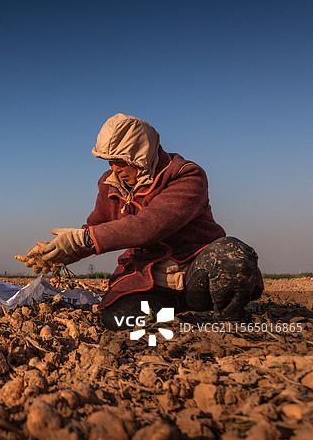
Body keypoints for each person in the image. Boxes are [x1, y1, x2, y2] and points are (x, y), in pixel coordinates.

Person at [18, 113, 263, 329]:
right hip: (151, 282)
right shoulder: (110, 184)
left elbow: (149, 226)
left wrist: (81, 239)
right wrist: (61, 253)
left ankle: (228, 321)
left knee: (232, 256)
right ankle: (178, 317)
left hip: (194, 276)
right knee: (114, 320)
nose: (114, 169)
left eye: (121, 161)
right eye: (109, 161)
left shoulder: (186, 176)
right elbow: (96, 228)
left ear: (141, 154)